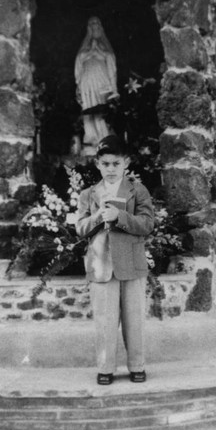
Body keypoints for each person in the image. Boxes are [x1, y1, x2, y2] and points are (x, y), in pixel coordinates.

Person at [76, 135, 154, 385]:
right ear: (97, 163)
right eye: (106, 163)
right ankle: (106, 368)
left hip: (131, 262)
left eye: (116, 163)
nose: (111, 169)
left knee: (134, 319)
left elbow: (147, 224)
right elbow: (80, 228)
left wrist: (119, 215)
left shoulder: (137, 190)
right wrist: (99, 216)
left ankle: (137, 366)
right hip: (101, 266)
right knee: (105, 321)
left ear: (126, 163)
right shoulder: (89, 194)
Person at [74, 17, 118, 153]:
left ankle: (104, 139)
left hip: (101, 81)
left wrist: (114, 89)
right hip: (87, 81)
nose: (94, 26)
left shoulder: (104, 47)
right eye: (91, 23)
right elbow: (78, 65)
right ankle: (91, 139)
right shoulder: (84, 48)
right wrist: (78, 85)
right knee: (88, 109)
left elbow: (111, 65)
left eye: (97, 23)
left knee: (102, 110)